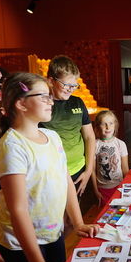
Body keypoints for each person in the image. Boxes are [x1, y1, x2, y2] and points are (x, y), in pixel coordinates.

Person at [0, 72, 100, 262]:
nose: (51, 101)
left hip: (51, 230)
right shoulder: (12, 147)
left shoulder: (51, 136)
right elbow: (18, 210)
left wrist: (78, 222)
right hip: (17, 239)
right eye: (43, 96)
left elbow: (65, 178)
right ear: (21, 104)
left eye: (49, 96)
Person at [40, 55, 95, 197]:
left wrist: (88, 171)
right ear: (51, 81)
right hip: (51, 173)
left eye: (74, 85)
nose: (71, 89)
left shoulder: (77, 102)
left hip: (79, 169)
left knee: (75, 215)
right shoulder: (41, 105)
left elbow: (89, 137)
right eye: (66, 85)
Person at [92, 110, 129, 205]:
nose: (108, 127)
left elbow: (125, 169)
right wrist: (96, 191)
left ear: (115, 125)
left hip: (119, 187)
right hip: (102, 189)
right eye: (104, 124)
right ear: (97, 126)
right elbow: (92, 171)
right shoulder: (95, 145)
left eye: (111, 123)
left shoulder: (121, 144)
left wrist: (126, 188)